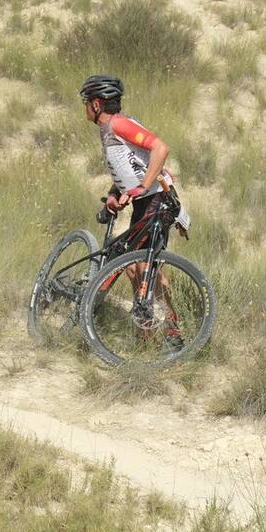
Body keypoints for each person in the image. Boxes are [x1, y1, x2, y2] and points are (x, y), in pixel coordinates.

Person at [79, 74, 186, 348]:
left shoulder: (119, 124)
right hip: (146, 200)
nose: (84, 108)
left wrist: (143, 186)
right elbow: (131, 165)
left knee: (145, 267)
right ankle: (148, 334)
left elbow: (161, 148)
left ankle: (171, 331)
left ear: (96, 104)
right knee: (134, 268)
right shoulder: (109, 129)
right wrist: (115, 193)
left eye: (86, 103)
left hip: (156, 198)